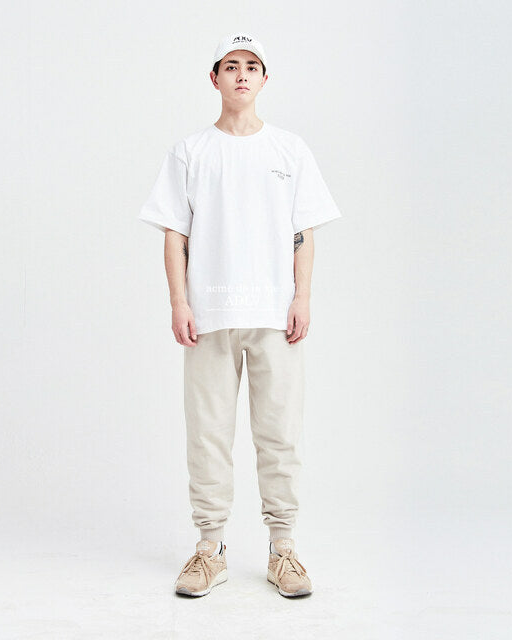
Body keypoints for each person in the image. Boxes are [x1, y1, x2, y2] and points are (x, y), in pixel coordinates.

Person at [138, 32, 342, 598]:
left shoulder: (289, 150)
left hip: (275, 314)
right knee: (208, 435)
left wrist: (301, 298)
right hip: (210, 314)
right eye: (231, 66)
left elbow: (303, 233)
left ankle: (283, 549)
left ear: (265, 79)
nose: (242, 74)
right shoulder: (190, 151)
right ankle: (210, 549)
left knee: (280, 435)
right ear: (215, 78)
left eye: (252, 66)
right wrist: (180, 302)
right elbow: (174, 232)